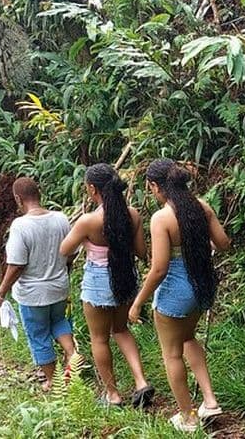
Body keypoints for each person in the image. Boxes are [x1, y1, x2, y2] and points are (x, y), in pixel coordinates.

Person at [128, 159, 230, 432]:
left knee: (171, 354)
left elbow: (159, 268)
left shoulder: (161, 218)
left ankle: (188, 416)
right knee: (187, 338)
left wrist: (138, 302)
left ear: (155, 186)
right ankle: (209, 400)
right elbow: (223, 243)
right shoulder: (202, 207)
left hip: (175, 293)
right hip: (201, 287)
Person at [59, 163, 154, 407]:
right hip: (126, 278)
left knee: (99, 338)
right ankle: (141, 381)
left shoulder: (88, 221)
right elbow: (142, 251)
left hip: (98, 282)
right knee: (121, 330)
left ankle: (112, 394)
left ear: (93, 189)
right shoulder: (132, 215)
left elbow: (65, 249)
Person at [0, 177, 76, 391]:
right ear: (39, 194)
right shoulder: (61, 219)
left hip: (33, 294)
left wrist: (1, 292)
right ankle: (73, 354)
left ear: (18, 199)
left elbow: (17, 265)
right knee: (58, 322)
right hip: (59, 287)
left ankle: (53, 380)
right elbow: (70, 254)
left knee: (38, 335)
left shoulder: (21, 226)